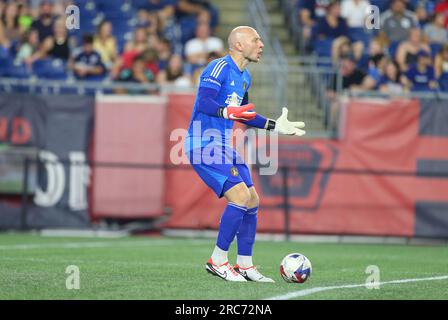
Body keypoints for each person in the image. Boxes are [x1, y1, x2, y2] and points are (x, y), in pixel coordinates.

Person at [184, 26, 306, 282]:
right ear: (239, 44)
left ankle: (245, 266)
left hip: (223, 145)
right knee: (239, 194)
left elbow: (245, 114)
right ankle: (217, 260)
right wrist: (227, 112)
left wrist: (274, 125)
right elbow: (205, 102)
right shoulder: (218, 67)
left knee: (252, 198)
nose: (261, 44)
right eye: (256, 39)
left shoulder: (245, 77)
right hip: (202, 144)